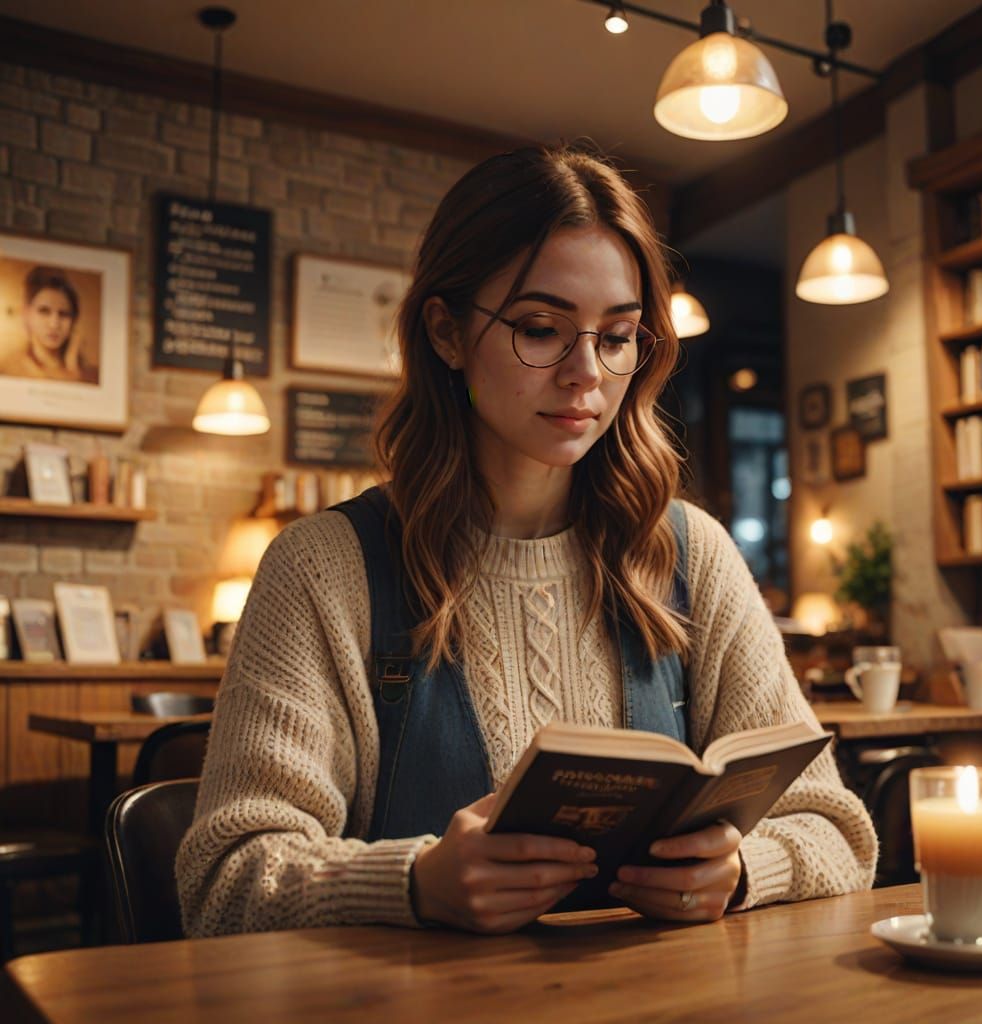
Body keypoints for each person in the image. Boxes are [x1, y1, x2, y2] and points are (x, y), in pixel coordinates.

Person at [177, 144, 877, 937]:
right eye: (541, 329)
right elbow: (223, 880)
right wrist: (411, 884)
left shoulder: (691, 554)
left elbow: (838, 830)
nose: (586, 374)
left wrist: (746, 868)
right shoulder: (325, 570)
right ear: (446, 332)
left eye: (616, 337)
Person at [0, 265, 97, 384]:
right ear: (27, 314)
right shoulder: (7, 371)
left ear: (73, 320)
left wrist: (73, 369)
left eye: (64, 314)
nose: (54, 324)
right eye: (44, 311)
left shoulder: (92, 376)